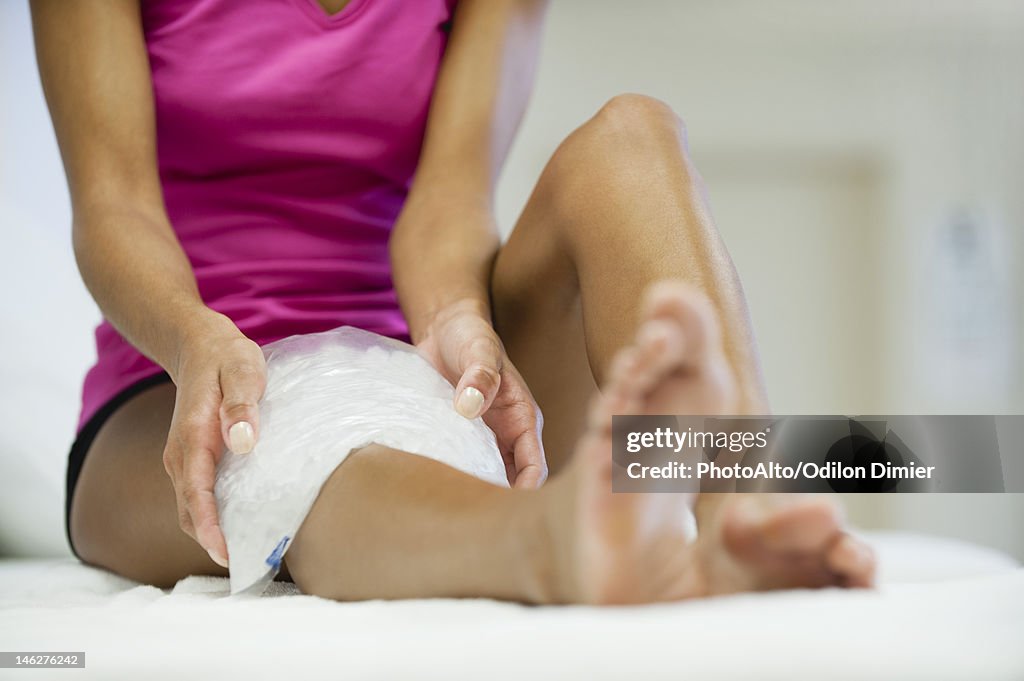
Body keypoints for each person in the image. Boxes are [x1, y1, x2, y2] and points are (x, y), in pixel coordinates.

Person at [32, 0, 875, 604]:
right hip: (182, 386)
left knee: (634, 134)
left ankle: (744, 506)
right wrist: (194, 338)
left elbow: (448, 203)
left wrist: (456, 322)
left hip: (413, 364)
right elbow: (114, 210)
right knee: (301, 448)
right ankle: (549, 542)